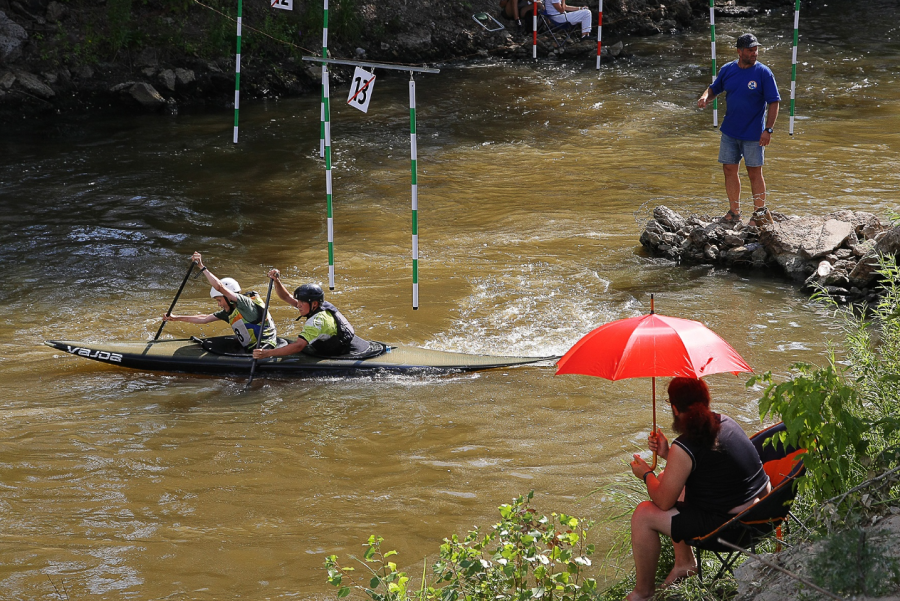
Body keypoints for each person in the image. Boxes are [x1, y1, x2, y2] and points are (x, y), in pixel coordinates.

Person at [625, 377, 771, 601]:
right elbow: (710, 466)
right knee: (668, 477)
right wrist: (667, 454)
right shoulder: (727, 423)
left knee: (644, 514)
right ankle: (684, 564)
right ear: (706, 399)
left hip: (728, 529)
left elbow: (663, 501)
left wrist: (646, 474)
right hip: (758, 514)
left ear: (674, 408)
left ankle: (643, 594)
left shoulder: (685, 445)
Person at [698, 33, 780, 226]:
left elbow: (774, 102)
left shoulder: (763, 73)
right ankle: (734, 212)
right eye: (750, 50)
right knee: (728, 169)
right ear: (739, 51)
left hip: (754, 134)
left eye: (756, 49)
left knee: (754, 172)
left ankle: (759, 214)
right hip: (730, 132)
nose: (755, 53)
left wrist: (768, 130)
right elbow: (713, 89)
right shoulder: (728, 70)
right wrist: (705, 97)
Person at [163, 252, 277, 352]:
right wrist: (175, 318)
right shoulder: (230, 311)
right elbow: (204, 319)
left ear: (229, 297)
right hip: (252, 348)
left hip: (266, 349)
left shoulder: (246, 304)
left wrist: (201, 267)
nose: (219, 304)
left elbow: (219, 287)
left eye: (219, 300)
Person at [251, 269, 357, 359]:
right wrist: (276, 281)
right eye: (299, 301)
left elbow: (298, 346)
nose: (299, 305)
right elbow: (286, 297)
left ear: (314, 304)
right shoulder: (320, 305)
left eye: (302, 302)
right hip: (338, 339)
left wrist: (267, 354)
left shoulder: (317, 322)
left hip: (338, 350)